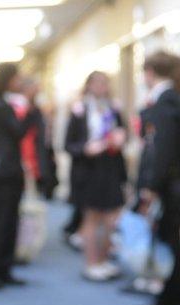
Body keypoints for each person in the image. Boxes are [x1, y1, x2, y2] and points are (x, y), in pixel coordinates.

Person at [136, 52, 180, 305]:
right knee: (171, 237)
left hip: (167, 183)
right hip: (170, 180)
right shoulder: (172, 100)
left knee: (167, 238)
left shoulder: (164, 102)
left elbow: (161, 149)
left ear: (149, 72)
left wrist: (150, 185)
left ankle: (171, 297)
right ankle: (177, 292)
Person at [0, 63, 40, 289]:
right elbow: (18, 132)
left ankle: (3, 269)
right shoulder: (1, 107)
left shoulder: (2, 105)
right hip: (2, 174)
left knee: (9, 221)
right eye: (17, 78)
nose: (20, 81)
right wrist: (31, 108)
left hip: (9, 171)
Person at [64, 71, 128, 281]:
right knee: (92, 216)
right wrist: (86, 148)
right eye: (97, 83)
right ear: (89, 85)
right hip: (89, 169)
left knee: (111, 217)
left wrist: (120, 139)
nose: (102, 87)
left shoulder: (114, 108)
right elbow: (68, 144)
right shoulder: (80, 110)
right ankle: (91, 263)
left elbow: (123, 132)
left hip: (110, 167)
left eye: (105, 83)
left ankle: (103, 259)